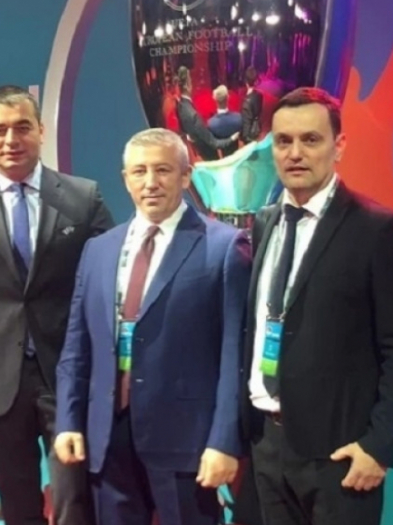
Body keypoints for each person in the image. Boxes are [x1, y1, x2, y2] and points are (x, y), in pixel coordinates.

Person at [241, 87, 393, 525]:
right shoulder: (265, 222)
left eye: (310, 139)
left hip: (340, 454)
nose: (295, 153)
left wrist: (379, 447)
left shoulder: (377, 229)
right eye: (283, 141)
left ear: (338, 146)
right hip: (267, 444)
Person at [0, 85, 113, 525]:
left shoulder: (82, 197)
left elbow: (109, 287)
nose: (11, 139)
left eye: (22, 128)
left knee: (75, 502)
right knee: (16, 506)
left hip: (67, 376)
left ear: (41, 131)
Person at [54, 128, 251, 525]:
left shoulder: (225, 247)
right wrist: (68, 420)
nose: (150, 182)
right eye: (139, 171)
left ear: (186, 175)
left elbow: (235, 357)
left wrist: (224, 440)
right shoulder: (98, 250)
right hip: (108, 438)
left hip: (187, 443)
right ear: (125, 179)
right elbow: (77, 346)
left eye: (162, 170)